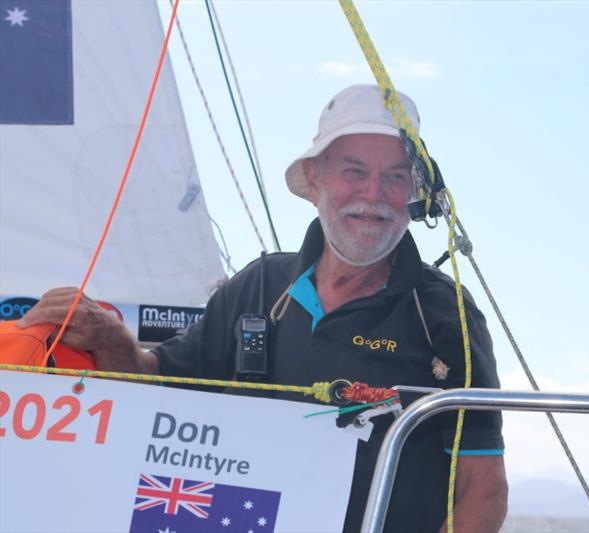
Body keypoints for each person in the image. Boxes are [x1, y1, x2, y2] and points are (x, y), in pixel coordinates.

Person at [19, 84, 508, 532]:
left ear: (415, 195)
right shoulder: (258, 285)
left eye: (395, 177)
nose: (373, 194)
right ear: (315, 180)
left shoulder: (447, 315)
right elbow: (157, 384)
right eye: (354, 171)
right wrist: (112, 339)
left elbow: (483, 492)